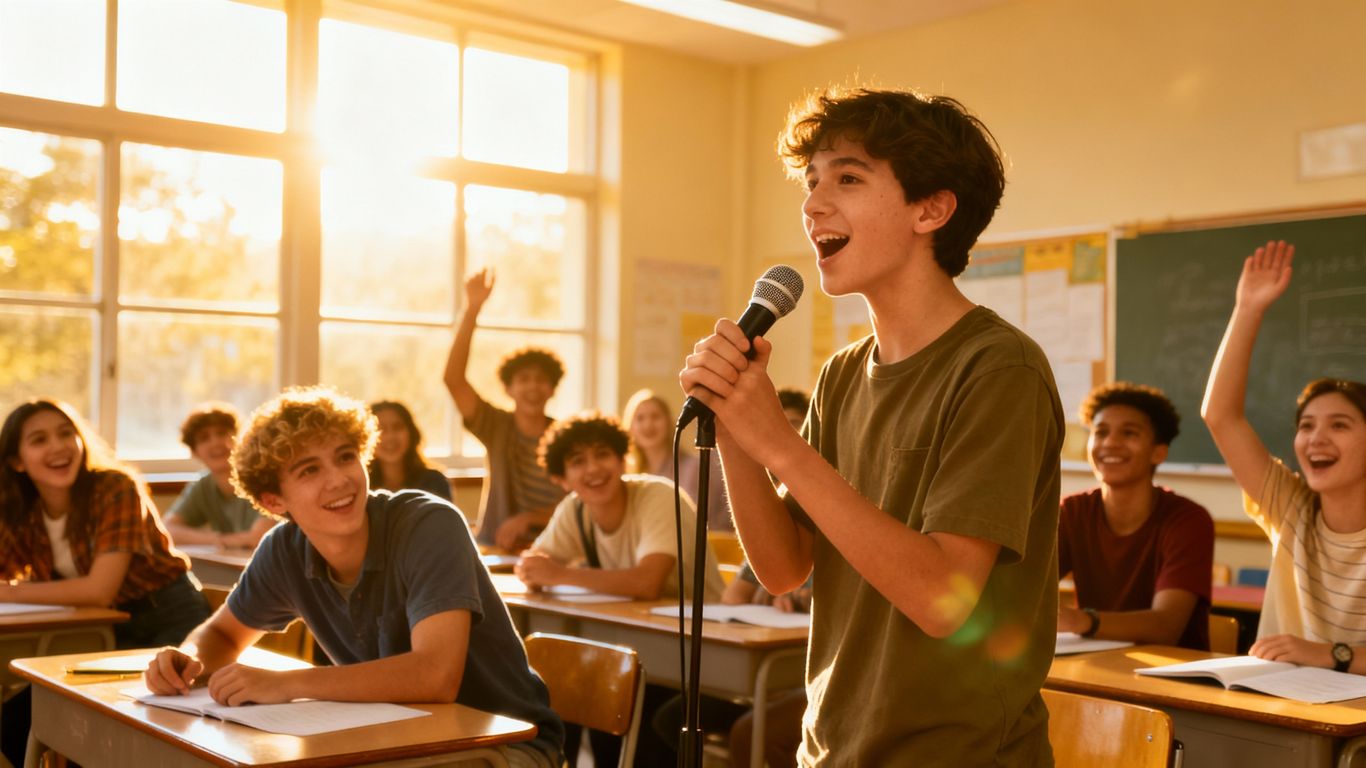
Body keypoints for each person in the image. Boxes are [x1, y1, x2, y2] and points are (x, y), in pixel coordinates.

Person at [679, 87, 1062, 764]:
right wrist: (737, 426)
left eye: (848, 179)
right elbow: (783, 568)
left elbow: (943, 601)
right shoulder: (843, 373)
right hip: (832, 748)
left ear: (930, 209)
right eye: (811, 181)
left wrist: (781, 446)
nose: (813, 205)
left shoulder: (1000, 368)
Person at [142, 387, 563, 767]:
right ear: (274, 500)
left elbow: (435, 676)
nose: (339, 479)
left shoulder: (428, 523)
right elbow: (221, 634)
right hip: (396, 739)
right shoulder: (284, 550)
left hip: (505, 745)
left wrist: (289, 684)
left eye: (345, 457)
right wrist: (187, 660)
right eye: (309, 470)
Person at [1, 399, 212, 766]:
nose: (58, 446)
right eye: (39, 439)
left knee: (103, 726)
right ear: (17, 461)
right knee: (15, 722)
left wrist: (10, 592)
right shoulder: (25, 511)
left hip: (169, 620)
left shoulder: (115, 488)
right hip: (105, 633)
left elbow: (99, 590)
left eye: (65, 433)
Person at [515, 412, 723, 767]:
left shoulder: (658, 495)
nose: (593, 468)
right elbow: (534, 566)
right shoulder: (575, 510)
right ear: (561, 479)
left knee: (621, 704)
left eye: (602, 454)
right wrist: (535, 571)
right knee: (561, 688)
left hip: (697, 654)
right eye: (578, 462)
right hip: (635, 649)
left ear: (622, 459)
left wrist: (559, 573)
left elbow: (646, 582)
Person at [1202, 240, 1366, 674]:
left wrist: (1332, 654)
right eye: (1306, 426)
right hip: (1281, 698)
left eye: (1339, 425)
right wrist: (1247, 309)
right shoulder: (1291, 509)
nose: (1316, 439)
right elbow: (1220, 416)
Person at [1058, 382, 1214, 650]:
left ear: (1158, 452)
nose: (1110, 443)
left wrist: (1080, 620)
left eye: (1129, 433)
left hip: (1172, 669)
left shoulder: (1188, 520)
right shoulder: (1072, 512)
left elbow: (1165, 627)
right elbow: (1027, 585)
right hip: (1093, 662)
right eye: (1100, 432)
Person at [445, 267, 567, 550]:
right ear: (508, 389)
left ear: (552, 389)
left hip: (554, 548)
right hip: (497, 547)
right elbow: (453, 380)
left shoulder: (564, 437)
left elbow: (580, 500)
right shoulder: (496, 426)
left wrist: (530, 518)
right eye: (523, 380)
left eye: (541, 380)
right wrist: (472, 309)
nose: (532, 387)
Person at [164, 402, 275, 549]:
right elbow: (167, 529)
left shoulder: (262, 477)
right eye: (204, 438)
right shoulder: (203, 486)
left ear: (239, 438)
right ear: (194, 452)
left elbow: (260, 537)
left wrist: (226, 541)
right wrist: (222, 540)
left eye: (222, 433)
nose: (215, 443)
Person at [622, 388, 731, 530]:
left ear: (669, 423)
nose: (648, 425)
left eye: (655, 417)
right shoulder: (630, 477)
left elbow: (696, 522)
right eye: (640, 418)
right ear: (630, 427)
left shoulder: (694, 469)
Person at [368, 400, 452, 500]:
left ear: (411, 433)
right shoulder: (361, 484)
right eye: (381, 429)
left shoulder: (435, 482)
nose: (390, 436)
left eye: (397, 427)